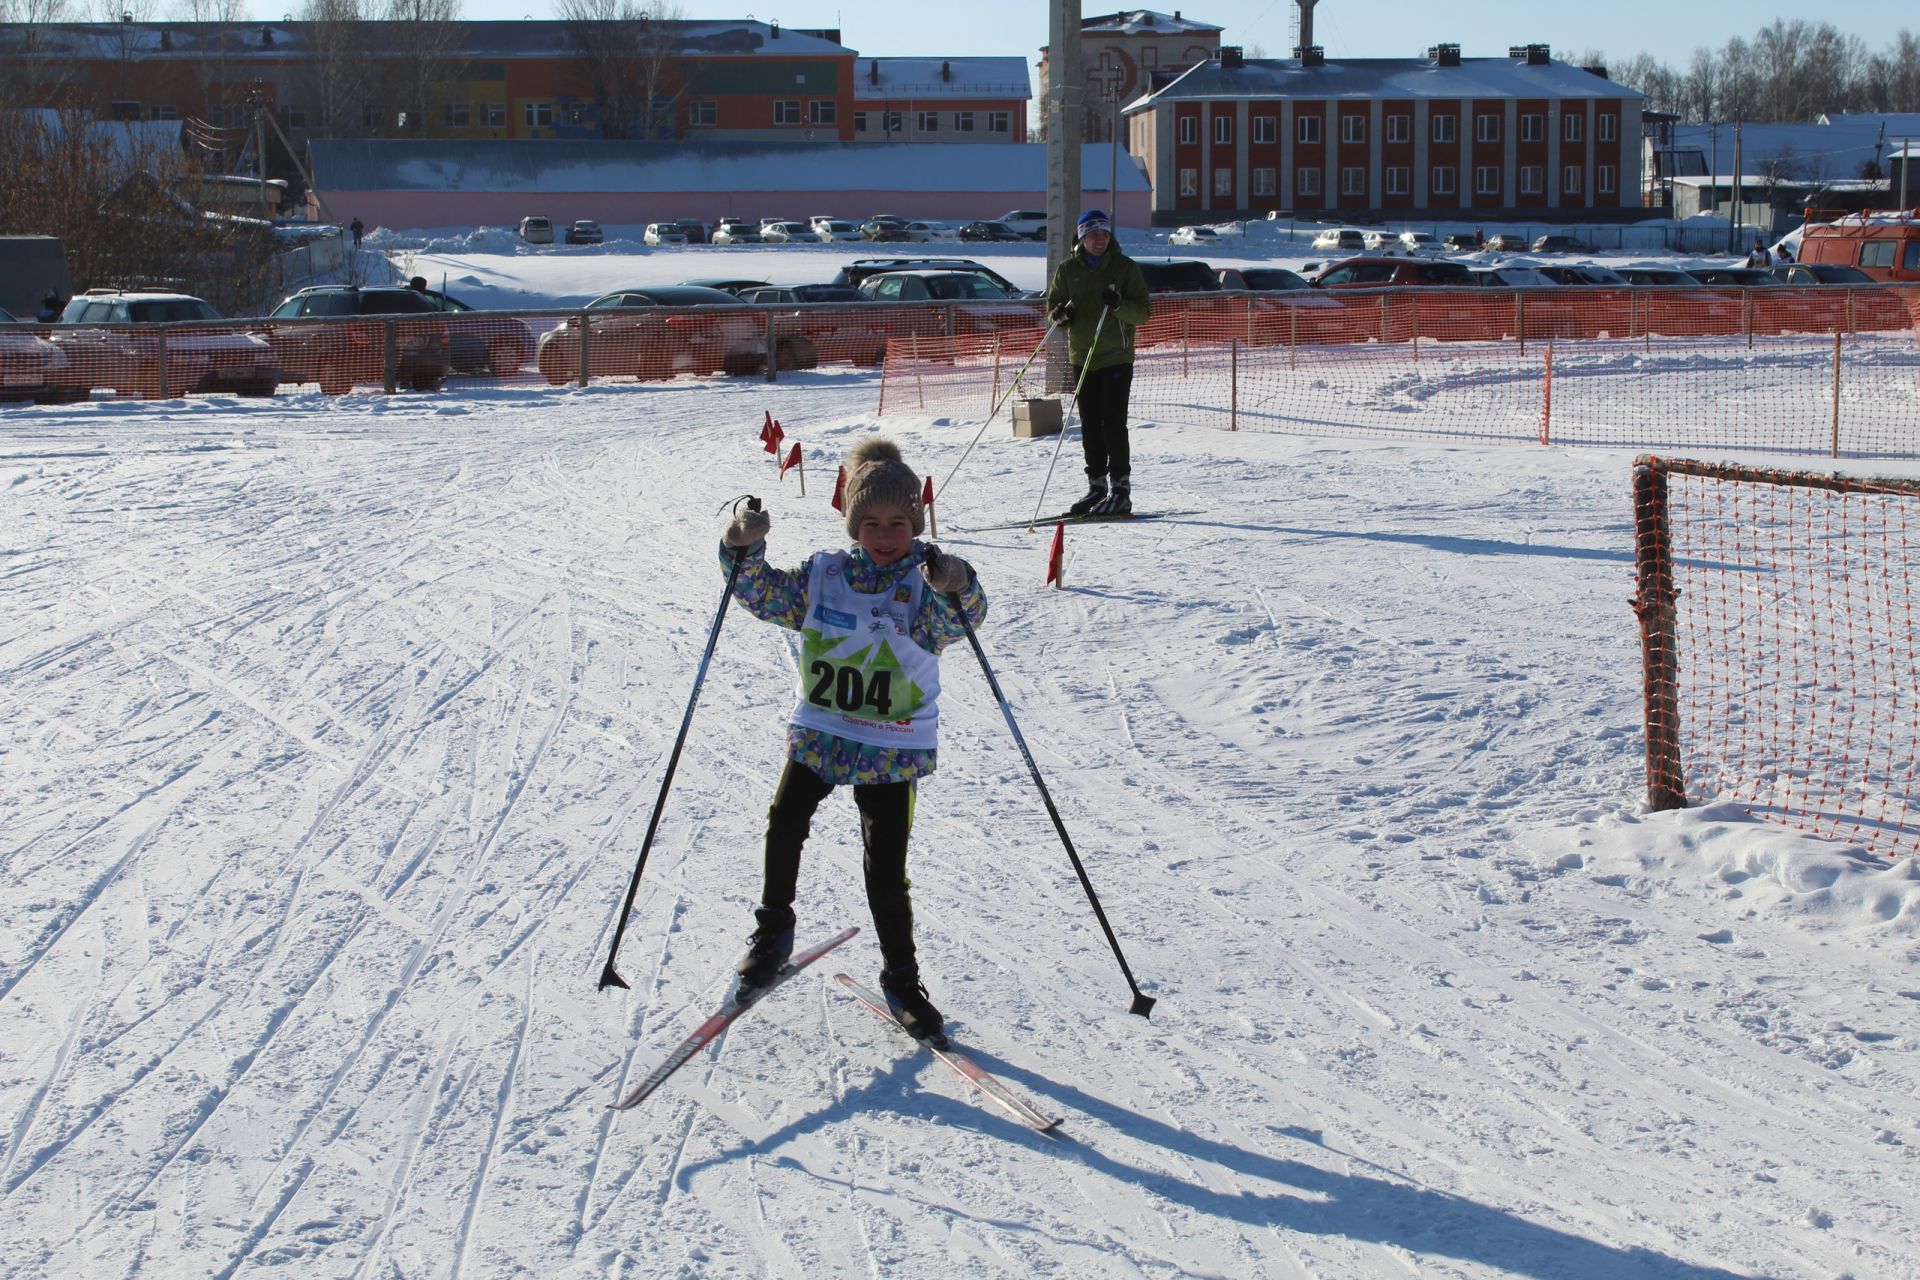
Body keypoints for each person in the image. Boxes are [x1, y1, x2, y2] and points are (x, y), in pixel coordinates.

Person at [718, 436, 988, 1043]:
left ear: (915, 522)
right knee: (785, 821)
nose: (885, 534)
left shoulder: (922, 581)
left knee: (886, 866)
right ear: (854, 524)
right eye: (871, 522)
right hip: (823, 730)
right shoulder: (826, 574)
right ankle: (772, 934)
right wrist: (742, 546)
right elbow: (763, 595)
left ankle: (902, 978)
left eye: (897, 522)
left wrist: (956, 581)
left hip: (893, 743)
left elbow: (961, 620)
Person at [1044, 209, 1152, 516]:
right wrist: (1061, 316)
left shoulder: (1124, 268)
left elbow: (1143, 311)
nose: (1100, 240)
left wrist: (1118, 305)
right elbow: (1054, 311)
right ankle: (1097, 486)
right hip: (1083, 356)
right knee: (1090, 424)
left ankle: (1121, 488)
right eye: (1094, 234)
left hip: (1115, 355)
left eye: (1104, 234)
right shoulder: (1068, 270)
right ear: (1082, 236)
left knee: (1112, 423)